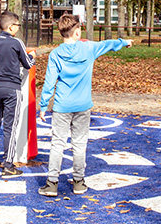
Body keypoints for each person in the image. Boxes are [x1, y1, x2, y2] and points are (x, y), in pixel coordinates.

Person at [38, 14, 132, 197]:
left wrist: (43, 106)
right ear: (77, 32)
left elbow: (49, 82)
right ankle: (79, 182)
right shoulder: (88, 48)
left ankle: (52, 183)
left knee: (57, 144)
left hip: (61, 106)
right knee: (79, 145)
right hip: (83, 105)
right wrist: (124, 41)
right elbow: (108, 44)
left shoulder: (55, 54)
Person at [0, 11, 36, 178]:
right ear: (11, 26)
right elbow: (27, 64)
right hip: (12, 88)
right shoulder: (16, 42)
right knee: (10, 128)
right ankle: (8, 165)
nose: (18, 29)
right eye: (18, 25)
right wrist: (32, 56)